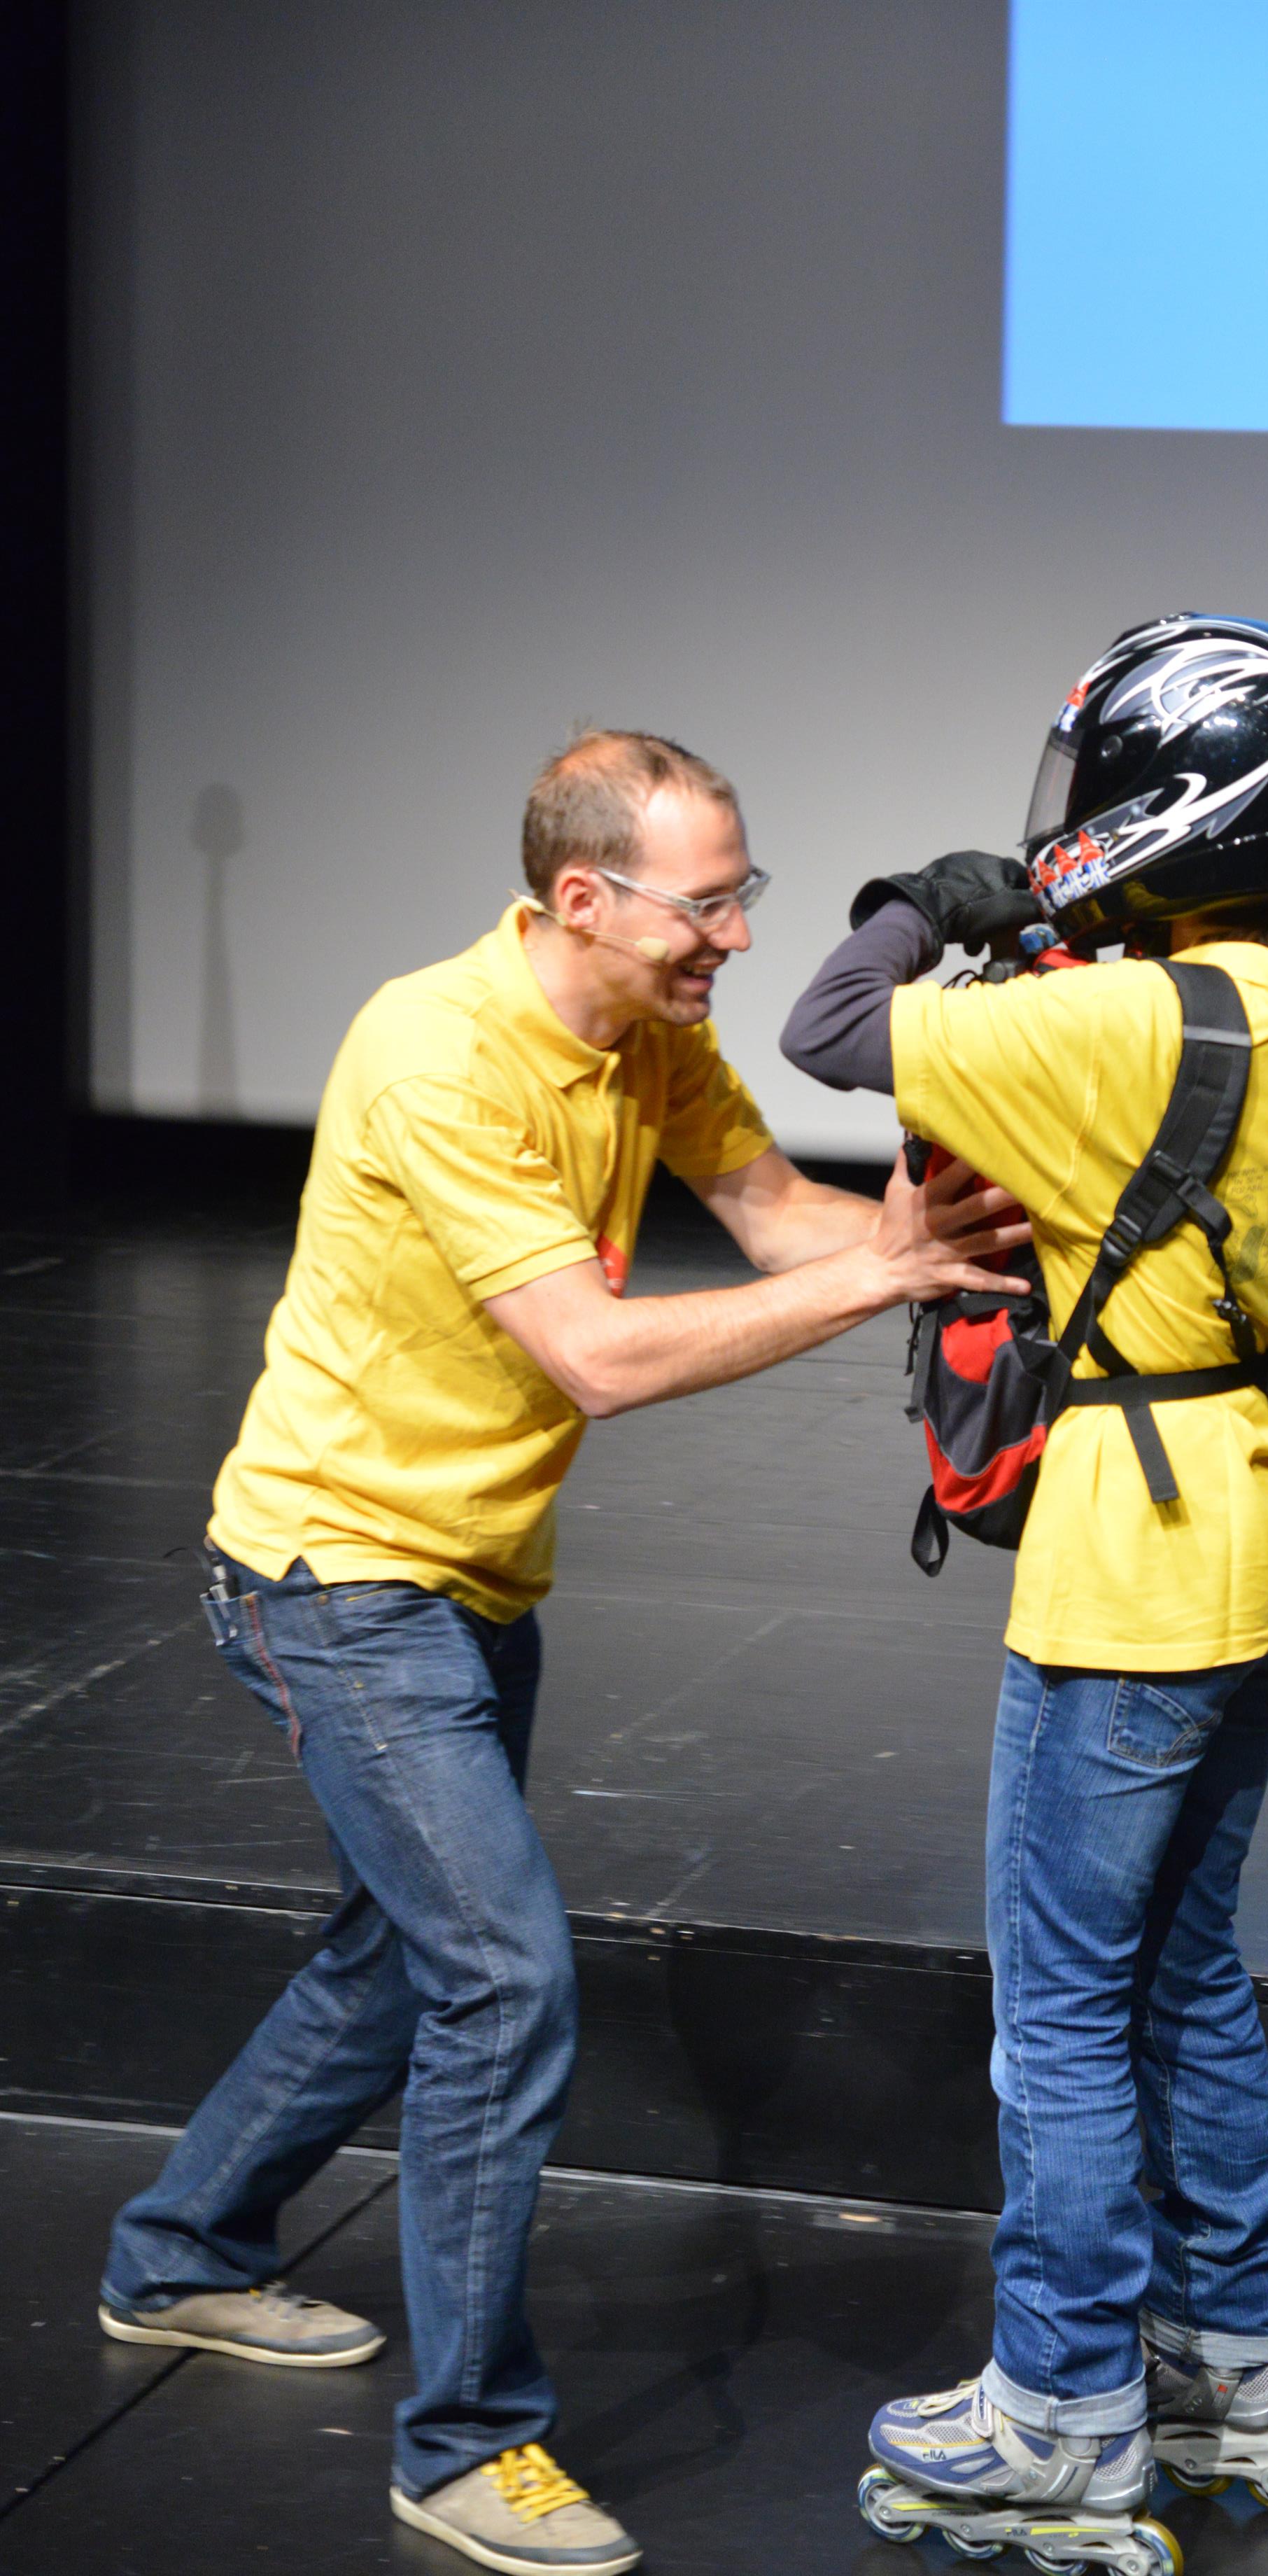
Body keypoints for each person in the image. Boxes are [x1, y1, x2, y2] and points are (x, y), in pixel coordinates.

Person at [98, 728, 1028, 2576]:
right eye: (708, 907)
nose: (736, 941)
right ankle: (465, 2450)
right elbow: (596, 1357)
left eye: (747, 898)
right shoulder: (438, 1052)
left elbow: (775, 1213)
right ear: (582, 898)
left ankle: (178, 2252)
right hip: (335, 1574)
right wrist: (883, 1278)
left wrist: (985, 1244)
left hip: (472, 1572)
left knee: (400, 1955)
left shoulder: (644, 1032)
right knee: (502, 1977)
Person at [782, 617, 1268, 2564]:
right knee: (1187, 1971)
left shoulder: (1112, 1025)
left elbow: (832, 1028)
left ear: (1184, 806)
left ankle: (1062, 2416)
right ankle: (1226, 2381)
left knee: (1063, 2011)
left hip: (1129, 1571)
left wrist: (924, 901)